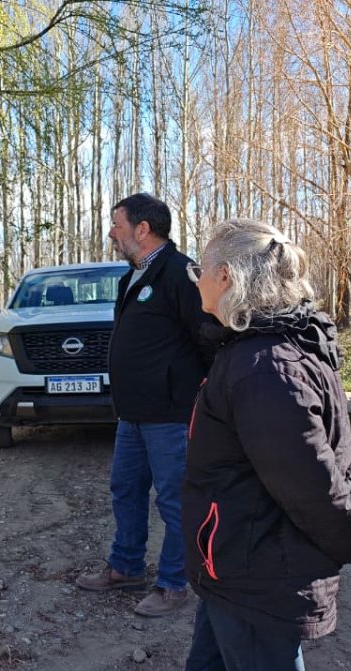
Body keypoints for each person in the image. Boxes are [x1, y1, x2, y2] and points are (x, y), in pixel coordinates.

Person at [182, 219, 351, 671]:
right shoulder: (279, 347)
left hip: (257, 570)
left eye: (199, 271)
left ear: (225, 276)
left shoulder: (264, 368)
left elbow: (314, 482)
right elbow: (338, 456)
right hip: (234, 563)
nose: (197, 281)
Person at [77, 192, 216, 617]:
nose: (111, 233)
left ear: (142, 229)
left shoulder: (180, 274)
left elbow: (208, 339)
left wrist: (199, 396)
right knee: (125, 489)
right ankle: (126, 567)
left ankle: (174, 584)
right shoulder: (132, 277)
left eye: (116, 225)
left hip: (170, 414)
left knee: (174, 501)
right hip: (133, 413)